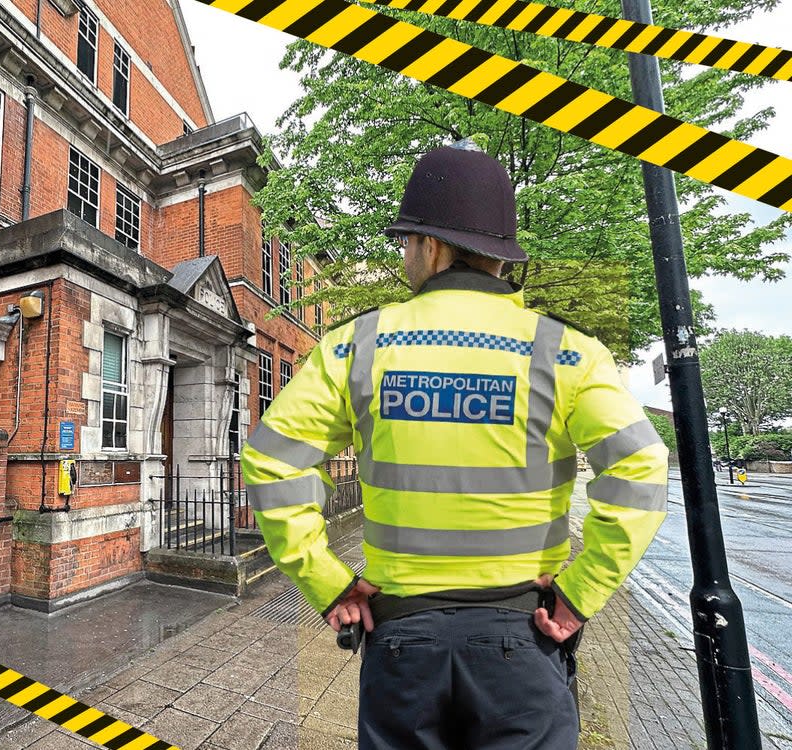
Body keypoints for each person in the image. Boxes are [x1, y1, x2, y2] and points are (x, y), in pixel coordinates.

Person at [240, 143, 669, 749]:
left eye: (407, 241)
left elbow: (271, 458)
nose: (406, 254)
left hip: (403, 647)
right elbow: (642, 468)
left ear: (431, 246)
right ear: (497, 255)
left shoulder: (355, 347)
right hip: (524, 639)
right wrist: (578, 596)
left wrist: (328, 581)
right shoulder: (566, 351)